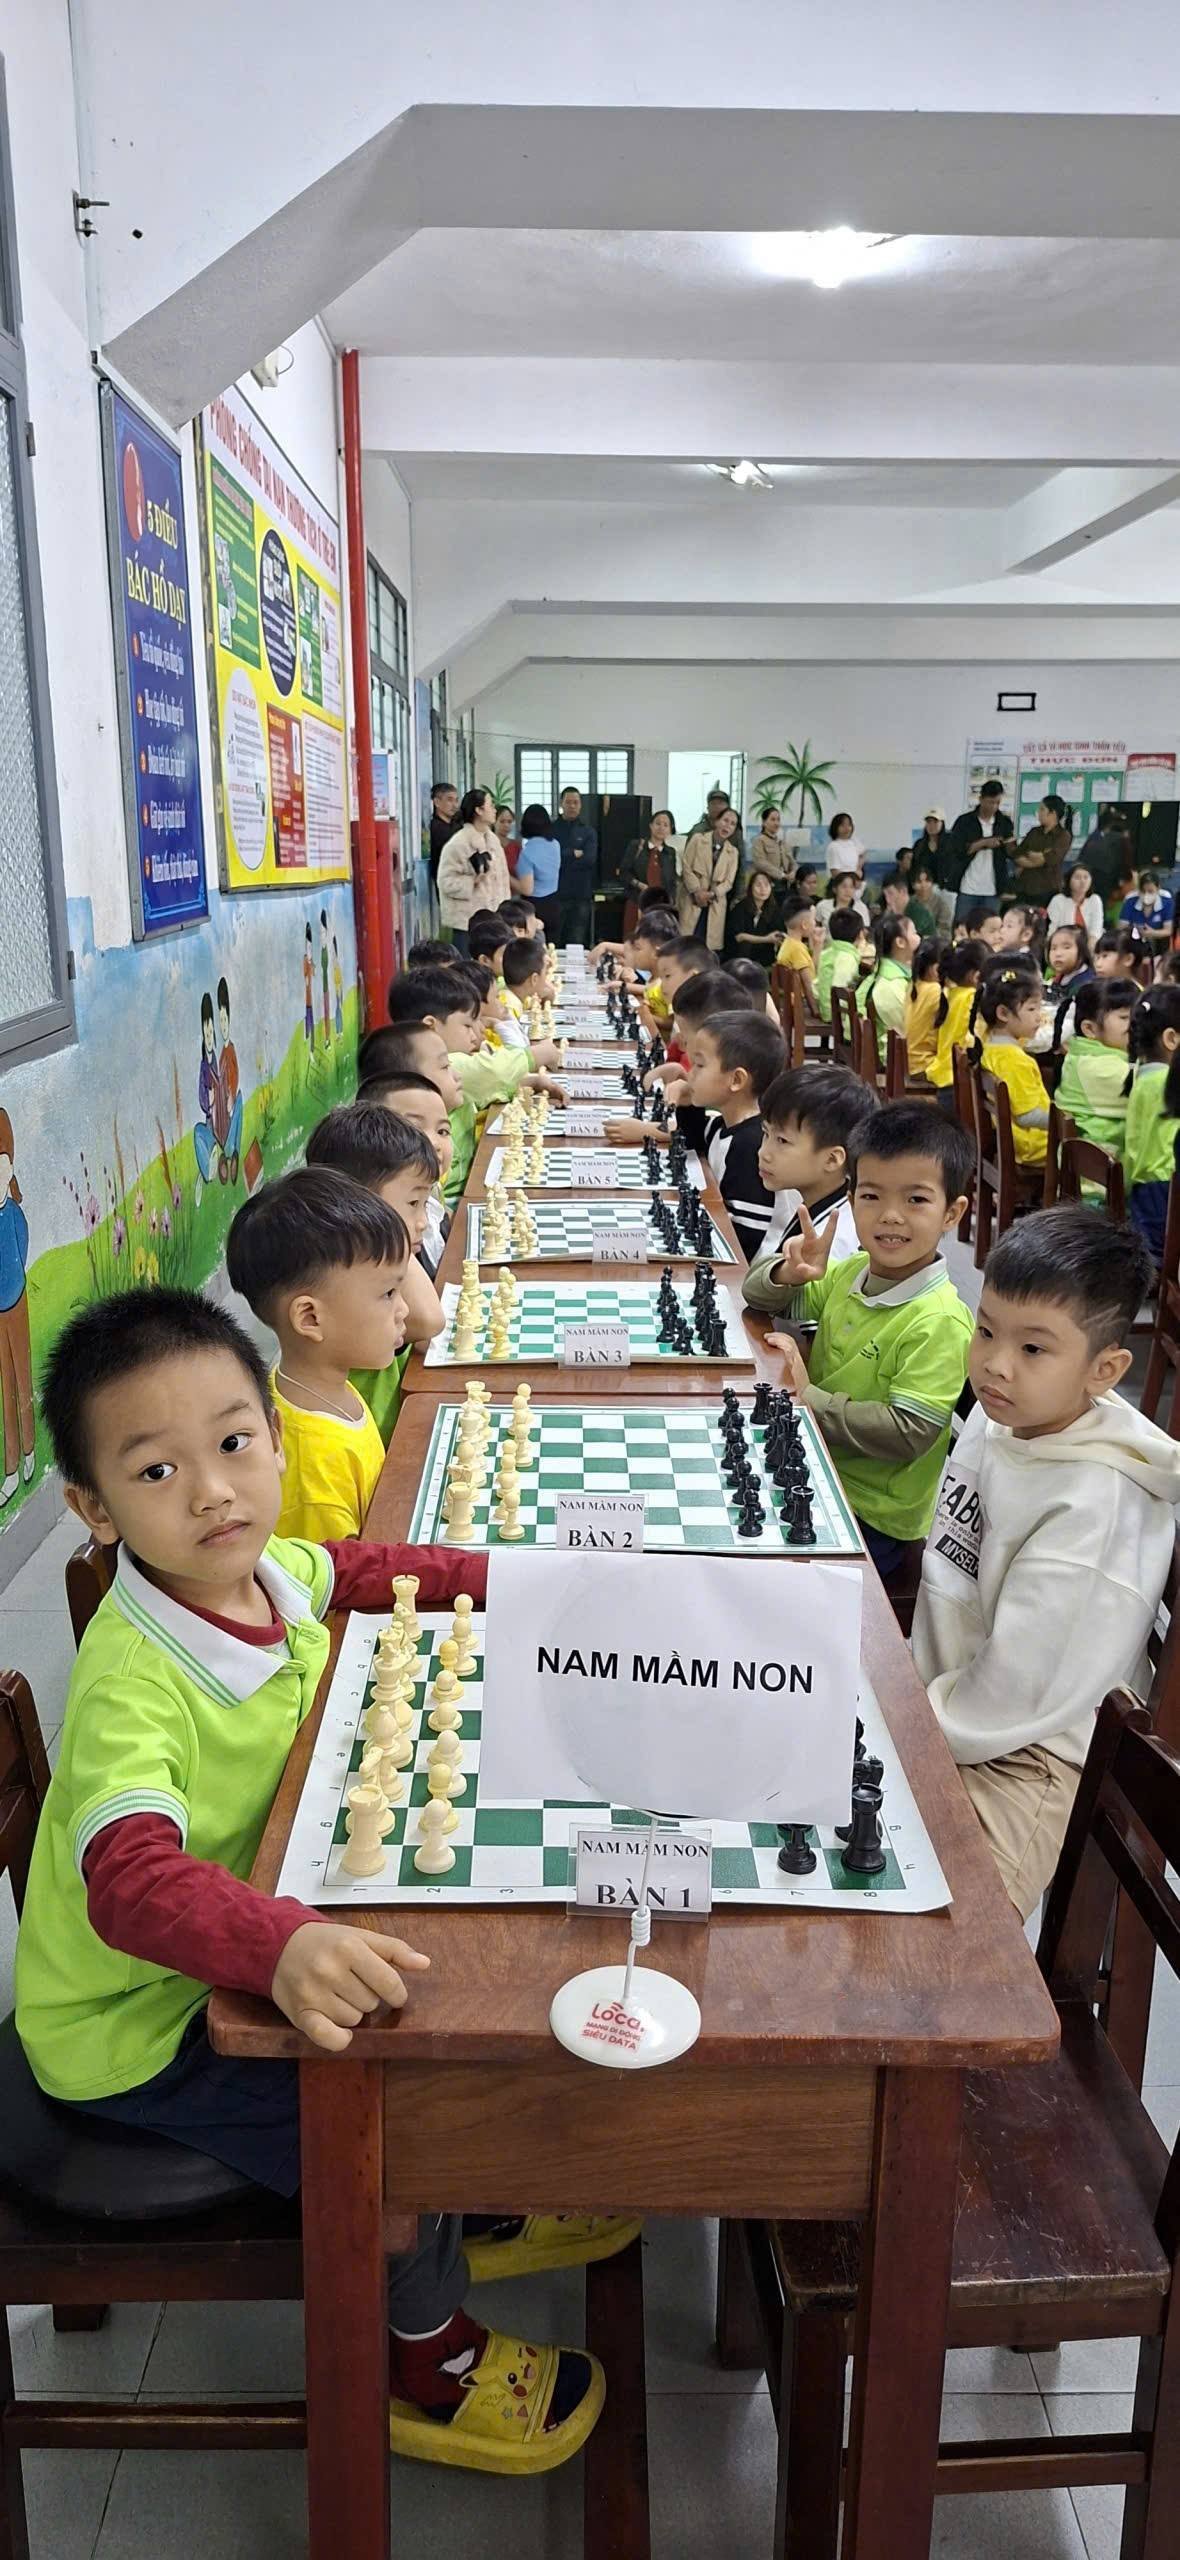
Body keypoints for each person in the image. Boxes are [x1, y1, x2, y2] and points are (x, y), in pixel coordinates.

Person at [16, 1287, 611, 2475]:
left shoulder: (261, 1571)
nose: (213, 1491)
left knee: (432, 2009)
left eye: (235, 1442)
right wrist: (280, 1942)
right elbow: (128, 1878)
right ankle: (422, 2353)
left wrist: (510, 1579)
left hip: (239, 1923)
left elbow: (354, 1566)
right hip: (140, 2027)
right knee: (391, 2111)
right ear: (92, 1507)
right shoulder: (134, 1676)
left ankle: (474, 2203)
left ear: (275, 1439)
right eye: (156, 1470)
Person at [913, 1209, 1180, 1919]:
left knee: (944, 1943)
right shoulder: (1007, 1413)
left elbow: (1020, 1693)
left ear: (1105, 1370)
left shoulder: (1094, 1510)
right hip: (948, 1701)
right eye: (986, 1330)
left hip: (1026, 1760)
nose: (996, 1364)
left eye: (1034, 1348)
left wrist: (908, 1726)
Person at [764, 1104, 974, 1578]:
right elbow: (762, 1298)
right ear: (851, 1200)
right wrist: (787, 1273)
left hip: (871, 1515)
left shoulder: (939, 1321)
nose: (890, 1216)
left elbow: (908, 1433)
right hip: (815, 1465)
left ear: (952, 1212)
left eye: (916, 1200)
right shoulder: (854, 1271)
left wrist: (808, 1397)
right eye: (872, 1196)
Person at [226, 1169, 406, 1541]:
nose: (403, 1310)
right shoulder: (314, 1471)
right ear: (310, 1318)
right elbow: (338, 1573)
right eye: (388, 1294)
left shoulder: (327, 1385)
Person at [305, 1105, 446, 1442]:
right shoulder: (352, 1273)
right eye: (413, 1204)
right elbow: (430, 1321)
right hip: (376, 1441)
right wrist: (386, 1231)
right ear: (362, 1203)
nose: (423, 1222)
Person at [742, 1065, 875, 1311]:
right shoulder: (814, 1200)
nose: (764, 1152)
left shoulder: (834, 1240)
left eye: (782, 1140)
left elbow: (811, 1328)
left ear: (832, 1159)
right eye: (766, 1134)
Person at [354, 1067, 453, 1274]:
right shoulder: (389, 1242)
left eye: (442, 1131)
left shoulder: (433, 1200)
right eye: (414, 1129)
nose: (434, 1143)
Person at [1122, 986, 1180, 1260]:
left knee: (1152, 1256)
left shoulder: (1142, 1077)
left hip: (1142, 1187)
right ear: (1171, 1039)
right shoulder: (1168, 1081)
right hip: (1168, 1189)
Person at [970, 968, 1051, 1165]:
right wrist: (1066, 1120)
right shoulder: (1015, 1060)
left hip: (1016, 1142)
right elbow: (1026, 1117)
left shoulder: (991, 1045)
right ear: (1003, 1013)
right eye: (1032, 1009)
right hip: (1035, 1146)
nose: (1039, 1017)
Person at [1053, 977, 1137, 1151]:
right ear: (1090, 1029)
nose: (1136, 1023)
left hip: (1092, 1159)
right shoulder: (1098, 1069)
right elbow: (1158, 1091)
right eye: (1125, 1017)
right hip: (1103, 1163)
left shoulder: (1083, 1054)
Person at [0, 1109, 33, 1499]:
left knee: (22, 1377)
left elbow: (20, 1250)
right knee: (4, 1383)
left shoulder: (12, 1216)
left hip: (17, 1303)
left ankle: (28, 1451)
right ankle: (10, 1469)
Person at [436, 790, 512, 949]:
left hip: (494, 920)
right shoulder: (459, 843)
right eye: (490, 805)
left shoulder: (493, 840)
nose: (494, 810)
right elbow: (445, 882)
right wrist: (472, 882)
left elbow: (503, 879)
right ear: (479, 810)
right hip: (467, 923)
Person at [942, 781, 1015, 923]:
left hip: (993, 888)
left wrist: (1010, 845)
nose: (994, 807)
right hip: (968, 887)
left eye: (997, 803)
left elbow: (1010, 852)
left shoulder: (1004, 822)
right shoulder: (965, 821)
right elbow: (957, 850)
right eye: (990, 802)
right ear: (981, 799)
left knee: (990, 928)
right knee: (962, 926)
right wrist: (983, 843)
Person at [925, 939, 989, 1098]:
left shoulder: (951, 995)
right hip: (960, 1083)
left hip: (946, 1076)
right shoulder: (972, 998)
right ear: (976, 976)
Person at [856, 913, 920, 1060]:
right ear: (900, 942)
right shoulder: (890, 985)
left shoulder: (887, 972)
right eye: (914, 933)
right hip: (894, 1059)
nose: (920, 938)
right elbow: (908, 1029)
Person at [678, 805, 740, 952]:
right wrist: (697, 891)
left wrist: (712, 893)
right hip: (693, 898)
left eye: (732, 824)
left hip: (714, 902)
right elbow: (686, 866)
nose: (727, 826)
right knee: (686, 945)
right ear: (717, 821)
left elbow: (729, 882)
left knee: (708, 949)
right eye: (725, 820)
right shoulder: (698, 840)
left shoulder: (733, 852)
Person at [554, 787, 598, 945]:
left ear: (580, 805)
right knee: (555, 940)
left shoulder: (588, 831)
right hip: (556, 894)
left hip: (581, 896)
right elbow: (550, 859)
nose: (572, 806)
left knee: (577, 941)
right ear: (561, 803)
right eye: (568, 802)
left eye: (576, 802)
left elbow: (589, 860)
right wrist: (572, 853)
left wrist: (562, 858)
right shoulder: (551, 829)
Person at [619, 808, 678, 924]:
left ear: (670, 830)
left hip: (660, 907)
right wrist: (639, 885)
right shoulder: (636, 846)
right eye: (658, 823)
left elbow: (671, 881)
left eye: (666, 825)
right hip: (636, 901)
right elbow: (624, 872)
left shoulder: (670, 853)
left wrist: (670, 902)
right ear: (651, 826)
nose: (661, 828)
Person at [1014, 793, 1073, 907]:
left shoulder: (1063, 835)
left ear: (1053, 813)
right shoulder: (1034, 832)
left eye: (1042, 809)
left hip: (1047, 888)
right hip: (1025, 887)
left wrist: (1029, 860)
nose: (1038, 813)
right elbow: (1018, 854)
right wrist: (1036, 856)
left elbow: (1049, 859)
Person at [514, 804, 563, 937]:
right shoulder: (555, 845)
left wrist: (506, 876)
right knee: (552, 947)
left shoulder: (527, 853)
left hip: (534, 908)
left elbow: (527, 889)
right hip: (554, 904)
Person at [816, 910, 871, 1024]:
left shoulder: (827, 952)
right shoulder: (846, 958)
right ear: (861, 934)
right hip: (837, 1016)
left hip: (827, 1010)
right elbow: (841, 992)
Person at [776, 897, 821, 1017]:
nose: (815, 923)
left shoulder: (789, 944)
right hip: (802, 1004)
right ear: (805, 925)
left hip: (792, 1002)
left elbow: (811, 971)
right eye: (813, 919)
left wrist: (817, 946)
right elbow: (808, 985)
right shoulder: (798, 949)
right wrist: (816, 1011)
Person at [724, 866, 782, 961]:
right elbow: (739, 937)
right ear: (750, 888)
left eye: (766, 885)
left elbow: (778, 932)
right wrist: (766, 939)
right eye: (758, 885)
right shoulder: (740, 907)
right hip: (740, 956)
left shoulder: (774, 909)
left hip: (764, 957)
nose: (763, 889)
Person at [1081, 803, 1134, 907]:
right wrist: (1126, 878)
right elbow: (1126, 861)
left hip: (1090, 879)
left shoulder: (1094, 837)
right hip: (1107, 881)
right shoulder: (1121, 839)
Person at [905, 941, 944, 1078]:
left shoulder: (914, 985)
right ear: (936, 969)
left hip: (911, 1063)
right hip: (926, 1065)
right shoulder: (936, 991)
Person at [1048, 863, 1103, 947]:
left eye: (1086, 877)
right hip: (1063, 944)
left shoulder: (1095, 899)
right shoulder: (1058, 900)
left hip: (1089, 944)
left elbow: (1096, 929)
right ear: (1068, 880)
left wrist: (1090, 948)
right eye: (1077, 878)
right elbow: (1051, 929)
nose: (1083, 881)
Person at [1120, 869, 1175, 950]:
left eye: (1150, 891)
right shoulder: (1130, 901)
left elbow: (1168, 931)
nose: (1146, 895)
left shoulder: (1167, 902)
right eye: (1143, 891)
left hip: (1159, 943)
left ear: (1158, 889)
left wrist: (1153, 933)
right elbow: (1121, 929)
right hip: (1134, 942)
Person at [686, 786, 744, 859]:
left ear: (728, 808)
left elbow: (740, 858)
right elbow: (688, 858)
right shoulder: (698, 831)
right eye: (713, 803)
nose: (717, 806)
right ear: (708, 808)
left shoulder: (735, 832)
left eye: (720, 803)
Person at [744, 803, 793, 887]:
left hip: (785, 884)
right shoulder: (758, 841)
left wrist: (793, 872)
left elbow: (792, 861)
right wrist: (782, 875)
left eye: (778, 820)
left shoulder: (782, 842)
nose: (776, 823)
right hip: (766, 884)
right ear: (764, 822)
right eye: (773, 819)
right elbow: (760, 863)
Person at [428, 781, 461, 878]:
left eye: (456, 800)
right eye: (450, 800)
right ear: (437, 802)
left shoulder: (458, 826)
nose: (455, 805)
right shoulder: (434, 828)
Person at [905, 862, 939, 940]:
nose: (924, 885)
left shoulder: (941, 904)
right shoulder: (908, 903)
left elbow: (945, 931)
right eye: (919, 882)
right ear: (913, 885)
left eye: (927, 881)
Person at [825, 813, 865, 879]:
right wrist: (851, 879)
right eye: (842, 825)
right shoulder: (833, 846)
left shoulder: (854, 842)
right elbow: (835, 872)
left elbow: (863, 854)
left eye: (849, 825)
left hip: (855, 881)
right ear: (836, 827)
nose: (846, 828)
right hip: (840, 883)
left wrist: (859, 868)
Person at [493, 803, 521, 874]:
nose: (506, 825)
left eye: (509, 822)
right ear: (494, 822)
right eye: (502, 821)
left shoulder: (516, 846)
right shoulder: (486, 844)